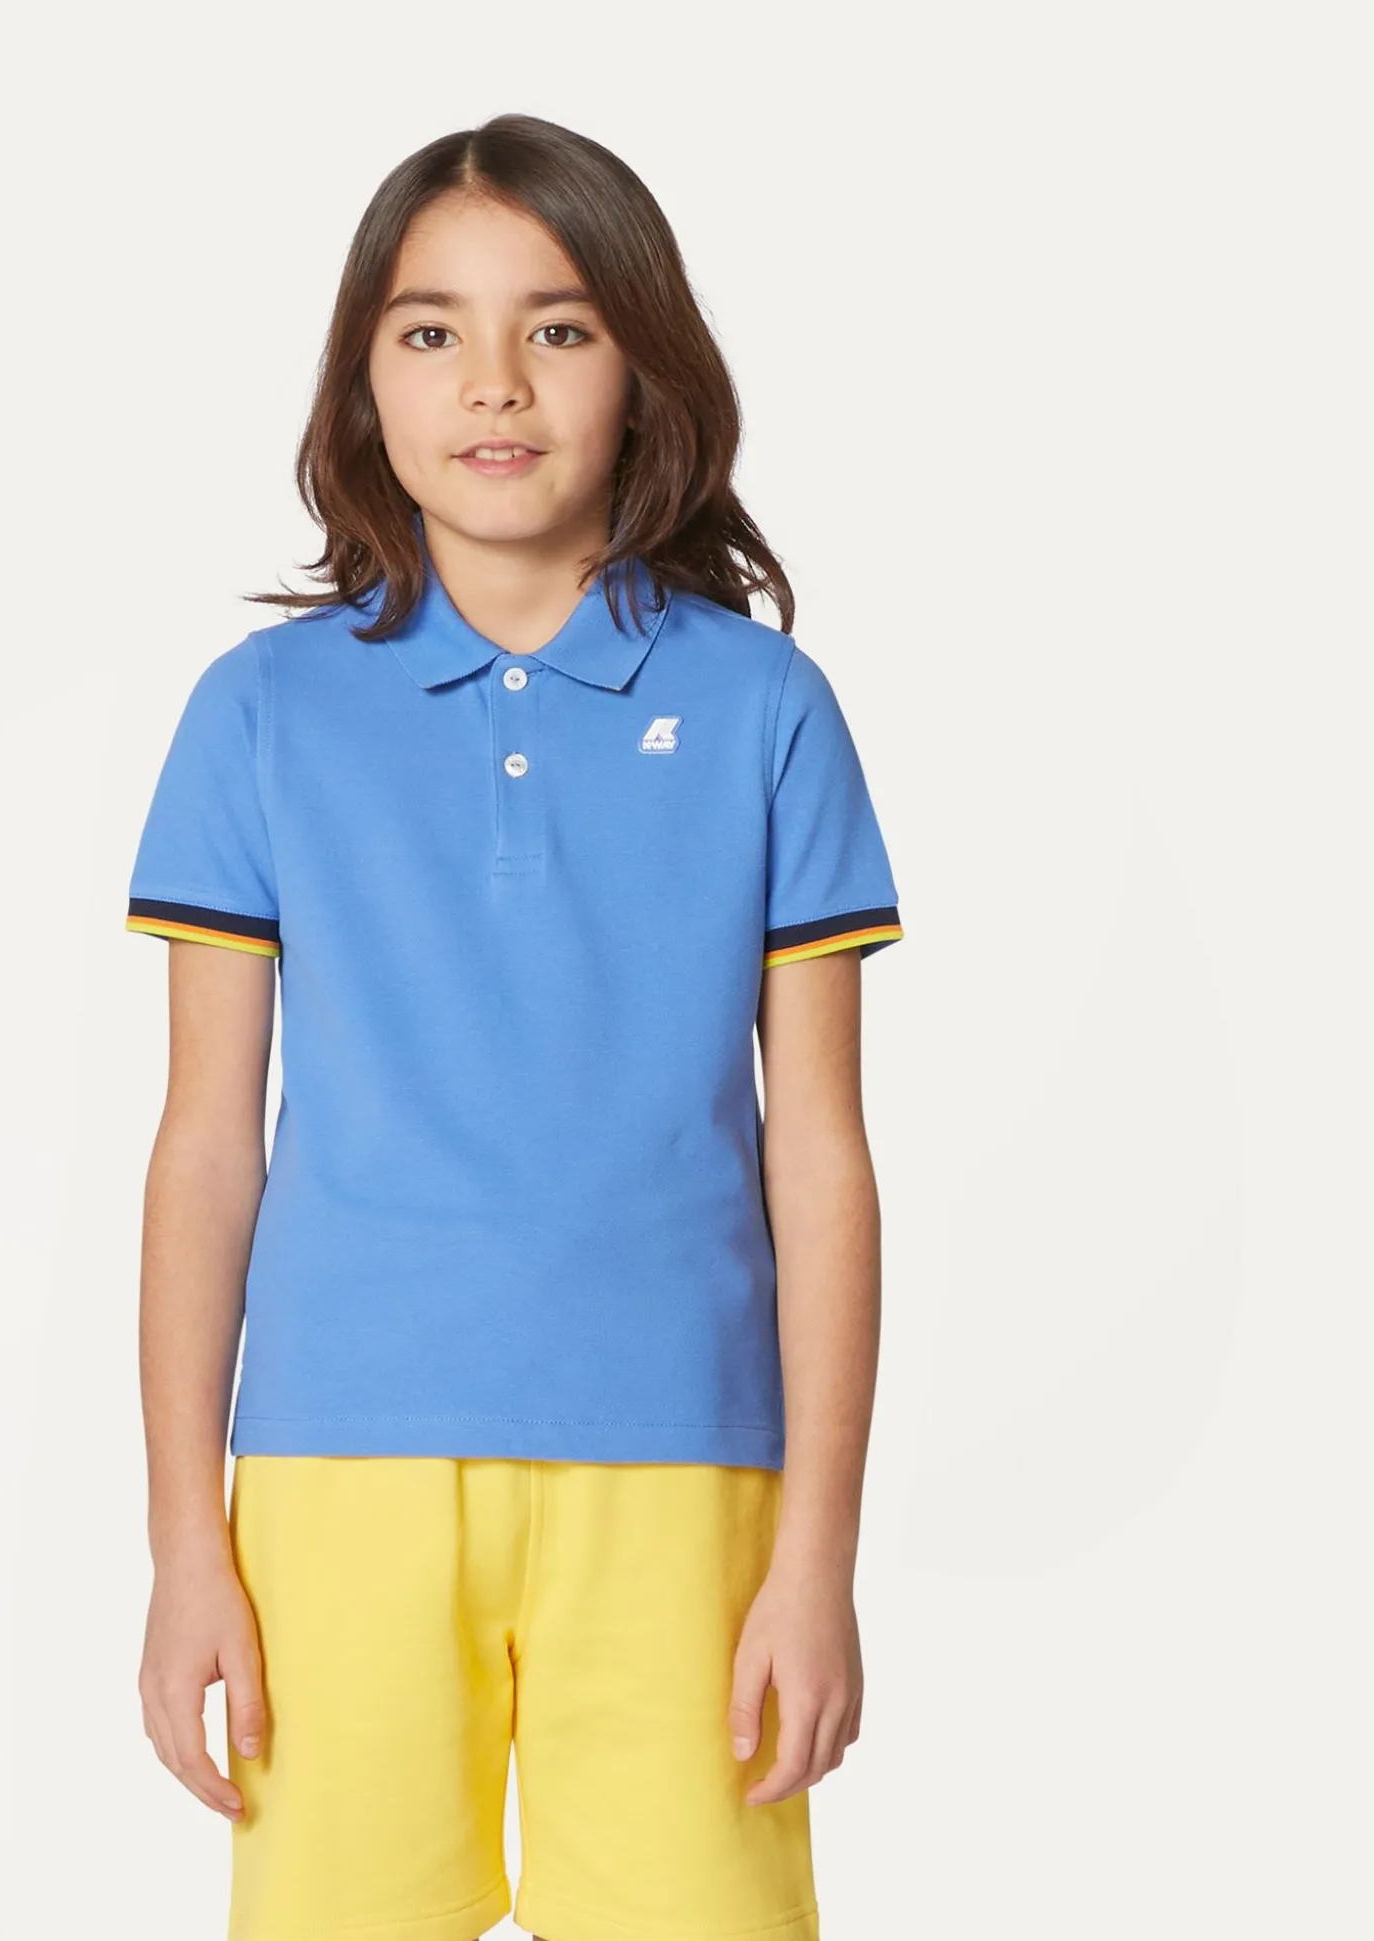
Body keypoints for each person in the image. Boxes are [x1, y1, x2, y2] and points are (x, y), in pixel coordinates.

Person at [126, 111, 904, 1941]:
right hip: (337, 1472)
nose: (495, 381)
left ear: (644, 368)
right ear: (364, 379)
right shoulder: (260, 713)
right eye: (432, 330)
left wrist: (817, 1555)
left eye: (558, 326)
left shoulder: (766, 709)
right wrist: (183, 1545)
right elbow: (206, 1147)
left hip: (688, 1474)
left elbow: (821, 1150)